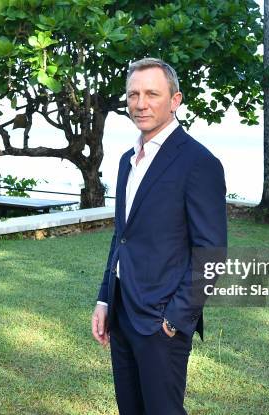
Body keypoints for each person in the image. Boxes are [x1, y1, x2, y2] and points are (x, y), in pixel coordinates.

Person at [91, 57, 227, 415]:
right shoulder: (126, 161)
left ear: (175, 100)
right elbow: (121, 238)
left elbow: (211, 254)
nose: (141, 103)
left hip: (160, 324)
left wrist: (174, 320)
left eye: (152, 93)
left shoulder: (199, 163)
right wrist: (105, 299)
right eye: (133, 94)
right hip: (122, 315)